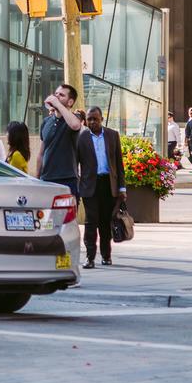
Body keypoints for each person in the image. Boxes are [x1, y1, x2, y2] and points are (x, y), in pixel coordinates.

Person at [76, 107, 126, 268]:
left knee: (105, 222)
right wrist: (78, 183)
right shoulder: (81, 138)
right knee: (91, 222)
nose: (92, 122)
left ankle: (106, 255)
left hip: (108, 185)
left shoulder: (112, 135)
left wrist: (122, 188)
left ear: (101, 119)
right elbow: (74, 163)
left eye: (95, 119)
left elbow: (119, 163)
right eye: (89, 119)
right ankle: (90, 257)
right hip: (90, 186)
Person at [38, 84, 83, 195]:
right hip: (46, 179)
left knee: (68, 212)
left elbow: (75, 125)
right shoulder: (46, 121)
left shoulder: (74, 118)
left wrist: (57, 103)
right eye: (56, 94)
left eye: (61, 95)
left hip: (67, 179)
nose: (56, 96)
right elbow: (41, 153)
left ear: (70, 102)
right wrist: (37, 177)